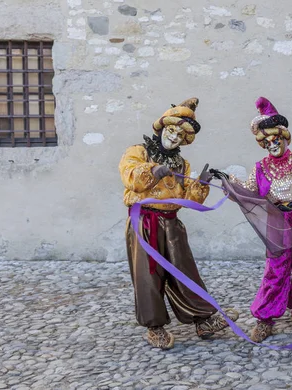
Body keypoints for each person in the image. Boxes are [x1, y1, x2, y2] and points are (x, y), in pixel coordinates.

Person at [119, 97, 238, 350]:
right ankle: (154, 327)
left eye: (179, 136)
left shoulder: (182, 164)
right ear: (163, 129)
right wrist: (151, 171)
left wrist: (201, 184)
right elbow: (130, 177)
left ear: (184, 141)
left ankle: (203, 319)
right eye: (171, 131)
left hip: (172, 223)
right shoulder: (138, 151)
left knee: (184, 270)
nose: (173, 138)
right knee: (148, 274)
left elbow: (187, 199)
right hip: (145, 222)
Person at [212, 97, 292, 343]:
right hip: (278, 222)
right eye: (267, 142)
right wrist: (228, 182)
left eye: (276, 140)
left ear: (284, 138)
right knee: (276, 269)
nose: (272, 145)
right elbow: (250, 192)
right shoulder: (260, 168)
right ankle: (265, 318)